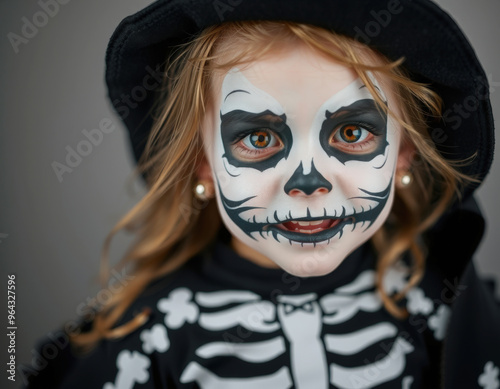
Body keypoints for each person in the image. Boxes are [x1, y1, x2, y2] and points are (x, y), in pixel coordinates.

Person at [24, 0, 499, 388]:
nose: (308, 181)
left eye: (352, 132)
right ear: (202, 162)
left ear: (404, 153)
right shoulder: (144, 339)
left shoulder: (451, 310)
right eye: (258, 139)